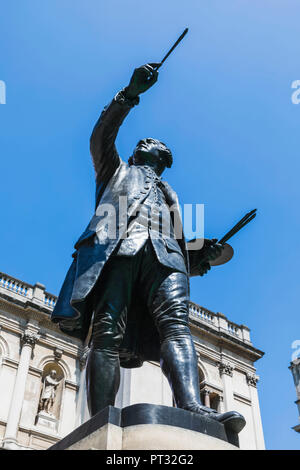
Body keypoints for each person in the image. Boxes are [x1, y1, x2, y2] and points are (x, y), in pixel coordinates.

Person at [51, 64, 245, 432]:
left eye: (152, 143)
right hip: (117, 252)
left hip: (166, 260)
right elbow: (101, 137)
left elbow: (178, 244)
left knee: (177, 326)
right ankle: (100, 422)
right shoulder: (116, 171)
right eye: (142, 143)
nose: (143, 143)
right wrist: (129, 94)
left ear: (163, 159)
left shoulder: (170, 193)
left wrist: (200, 256)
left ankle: (192, 406)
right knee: (107, 332)